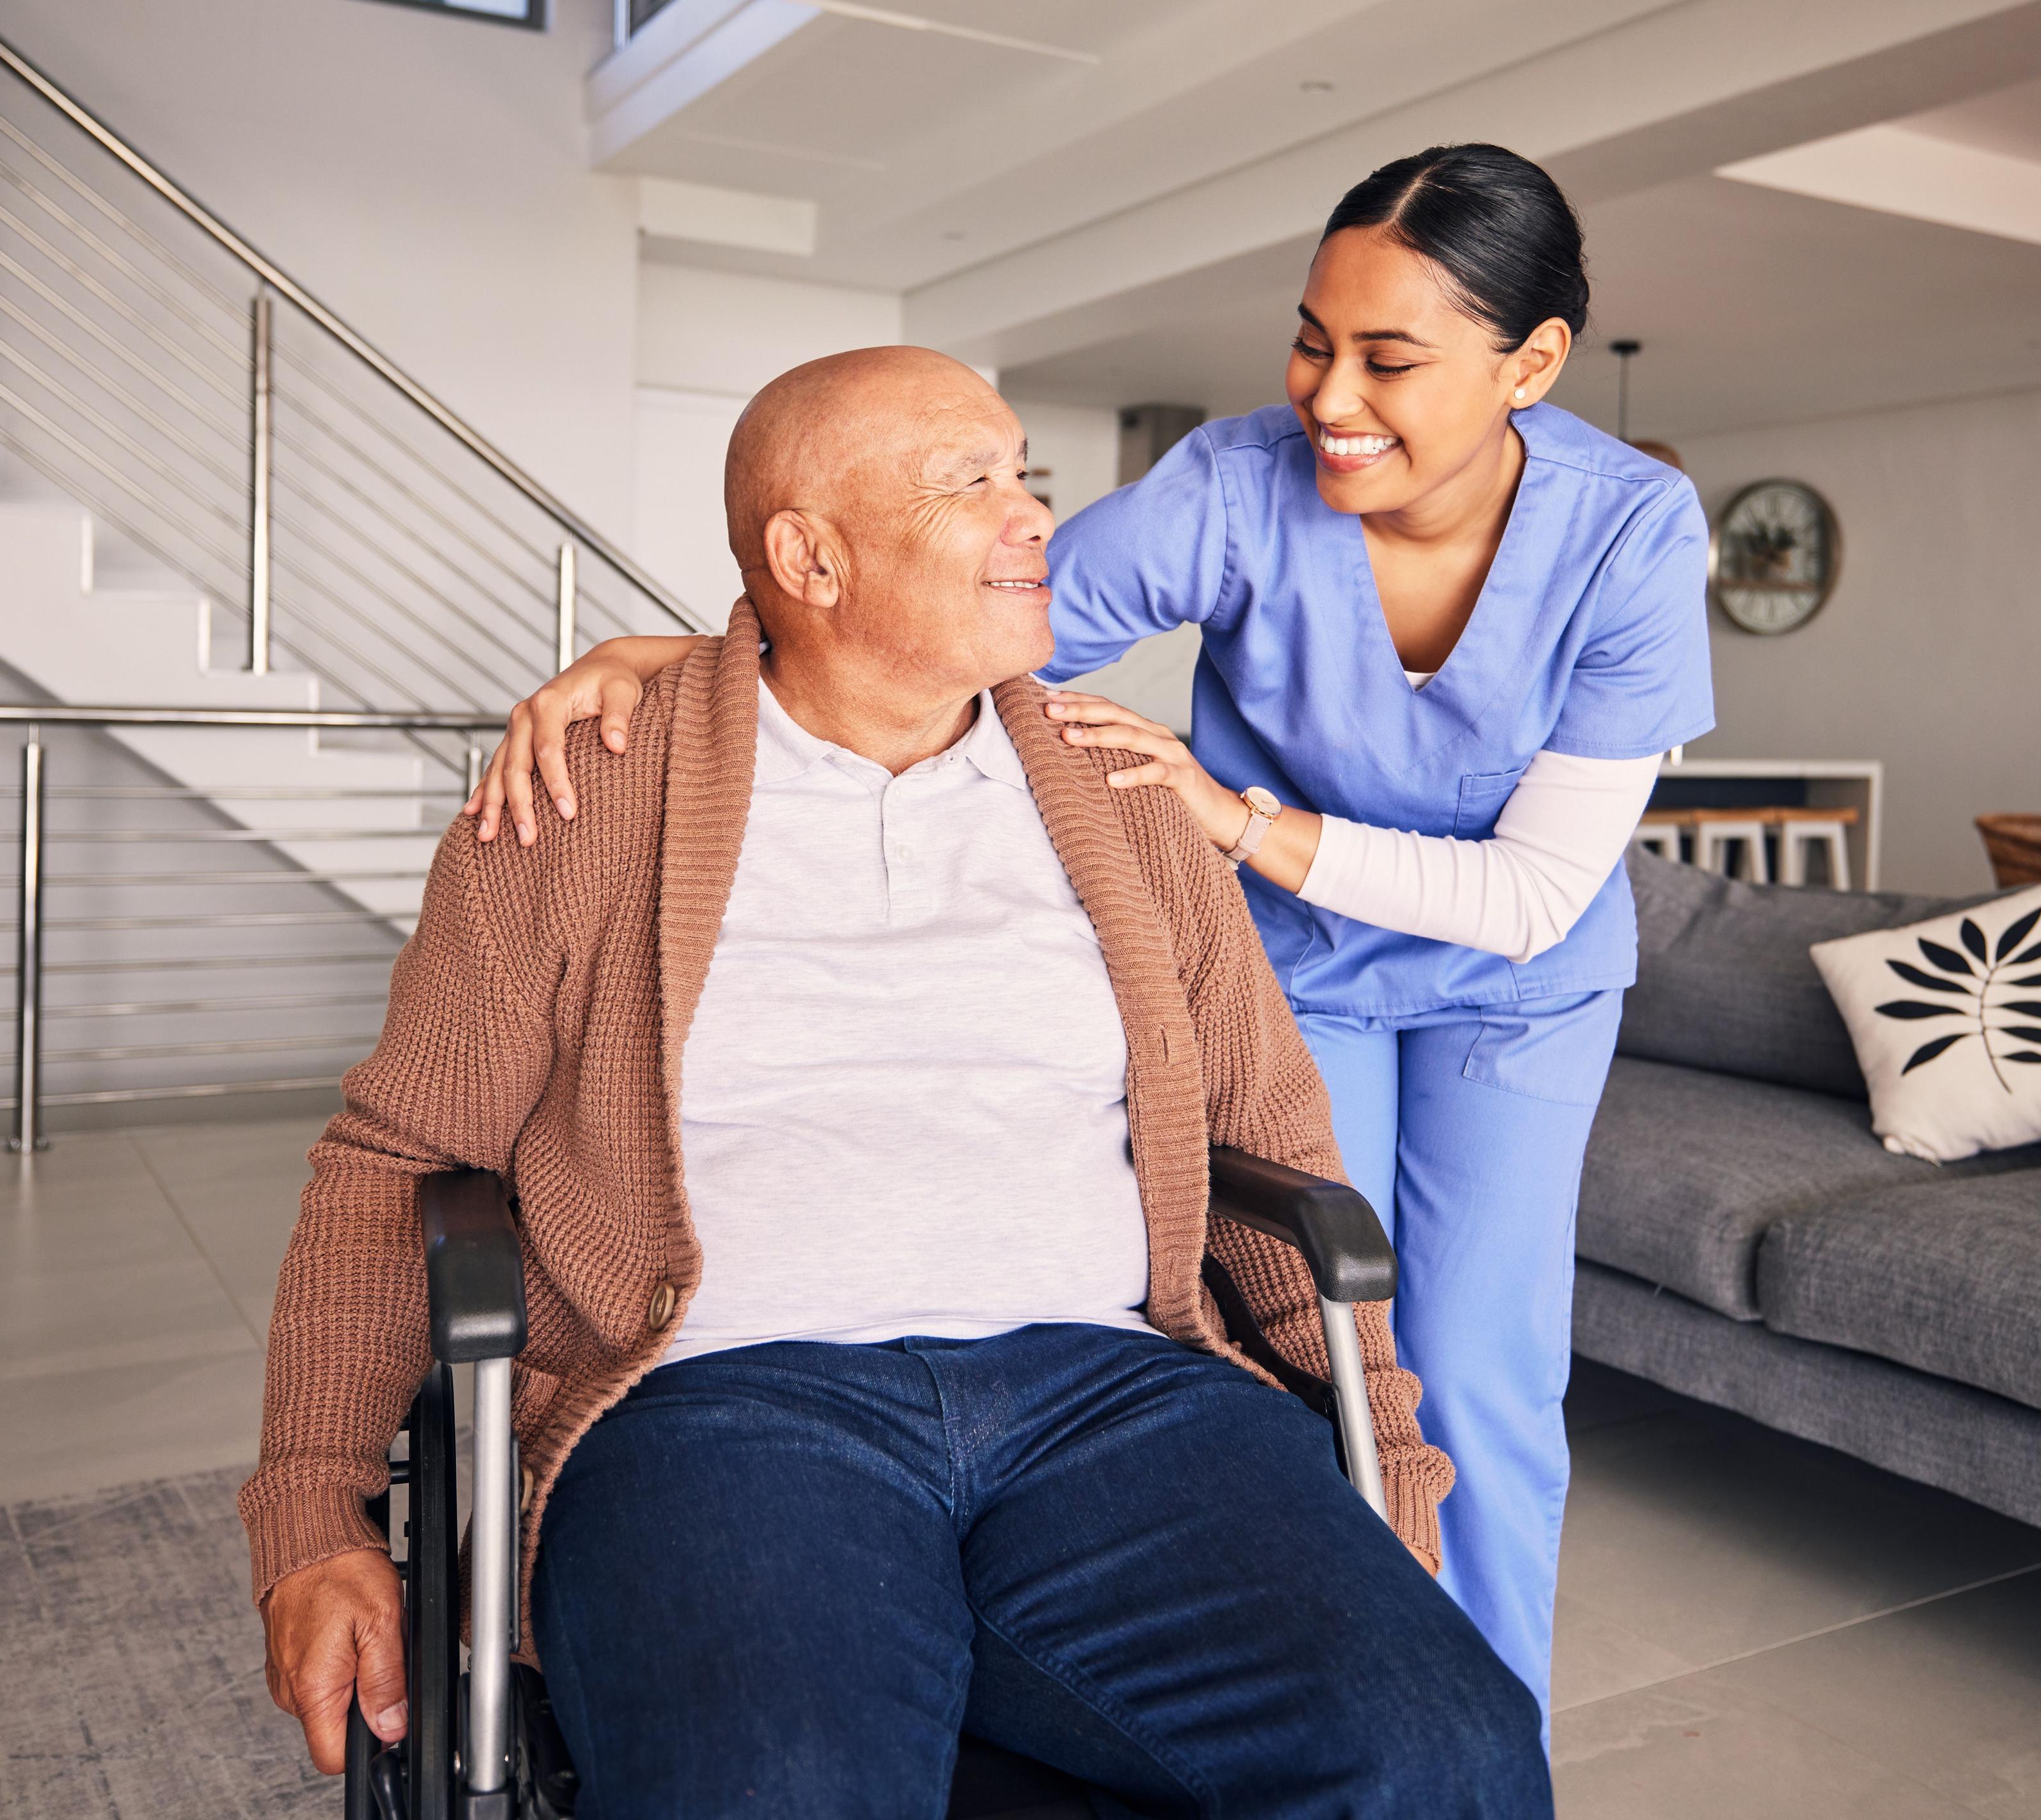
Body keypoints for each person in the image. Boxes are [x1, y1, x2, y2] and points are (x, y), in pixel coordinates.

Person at [457, 145, 1714, 1730]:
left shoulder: (1633, 530)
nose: (1330, 395)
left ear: (1531, 364)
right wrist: (677, 657)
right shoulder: (1236, 483)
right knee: (1325, 1330)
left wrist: (1231, 819)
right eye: (1312, 339)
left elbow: (1532, 895)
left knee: (1482, 1370)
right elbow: (954, 616)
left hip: (1518, 982)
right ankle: (1264, 1663)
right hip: (1296, 969)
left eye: (1389, 359)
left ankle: (1475, 1717)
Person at [244, 345, 1551, 1817]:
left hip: (1114, 1394)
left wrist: (1387, 1453)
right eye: (968, 482)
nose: (1034, 513)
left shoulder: (1127, 793)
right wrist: (314, 1506)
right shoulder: (585, 790)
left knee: (1448, 1745)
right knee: (781, 1782)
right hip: (722, 1402)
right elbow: (397, 1159)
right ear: (812, 558)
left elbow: (1277, 1140)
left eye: (1023, 474)